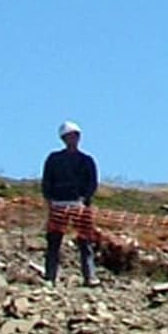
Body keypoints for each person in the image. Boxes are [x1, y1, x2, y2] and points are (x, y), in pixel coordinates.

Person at [41, 120, 99, 286]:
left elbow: (92, 183)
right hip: (58, 205)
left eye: (75, 136)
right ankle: (50, 277)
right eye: (69, 136)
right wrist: (49, 200)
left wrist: (84, 199)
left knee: (85, 241)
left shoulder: (87, 160)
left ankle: (90, 276)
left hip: (80, 205)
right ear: (63, 139)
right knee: (54, 241)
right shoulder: (54, 159)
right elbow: (47, 181)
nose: (72, 139)